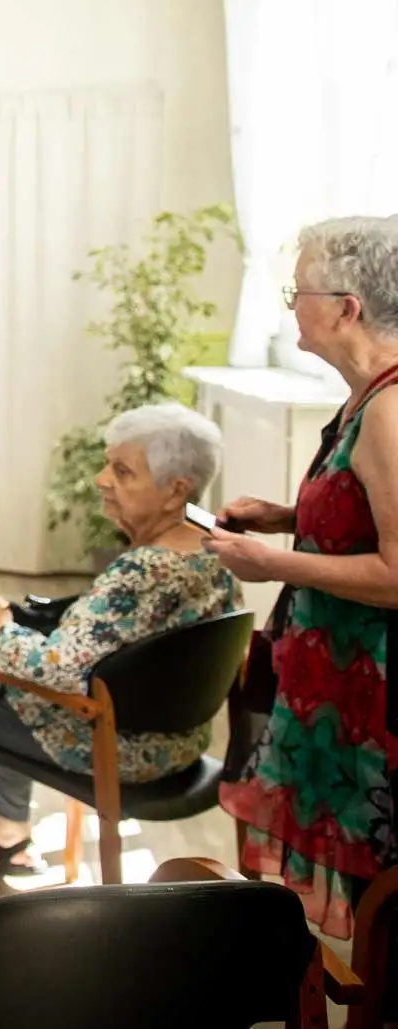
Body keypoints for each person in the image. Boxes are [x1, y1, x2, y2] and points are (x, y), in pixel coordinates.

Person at [0, 402, 238, 906]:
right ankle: (11, 840)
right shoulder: (217, 551)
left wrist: (1, 628)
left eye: (122, 470)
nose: (101, 479)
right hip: (177, 743)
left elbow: (55, 671)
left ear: (176, 490)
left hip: (118, 749)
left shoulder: (141, 572)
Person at [214, 216, 398, 938]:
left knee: (378, 889)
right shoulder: (366, 395)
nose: (291, 304)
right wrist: (284, 516)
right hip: (338, 676)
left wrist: (271, 563)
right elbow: (366, 513)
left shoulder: (389, 409)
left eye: (300, 289)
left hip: (376, 693)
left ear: (346, 307)